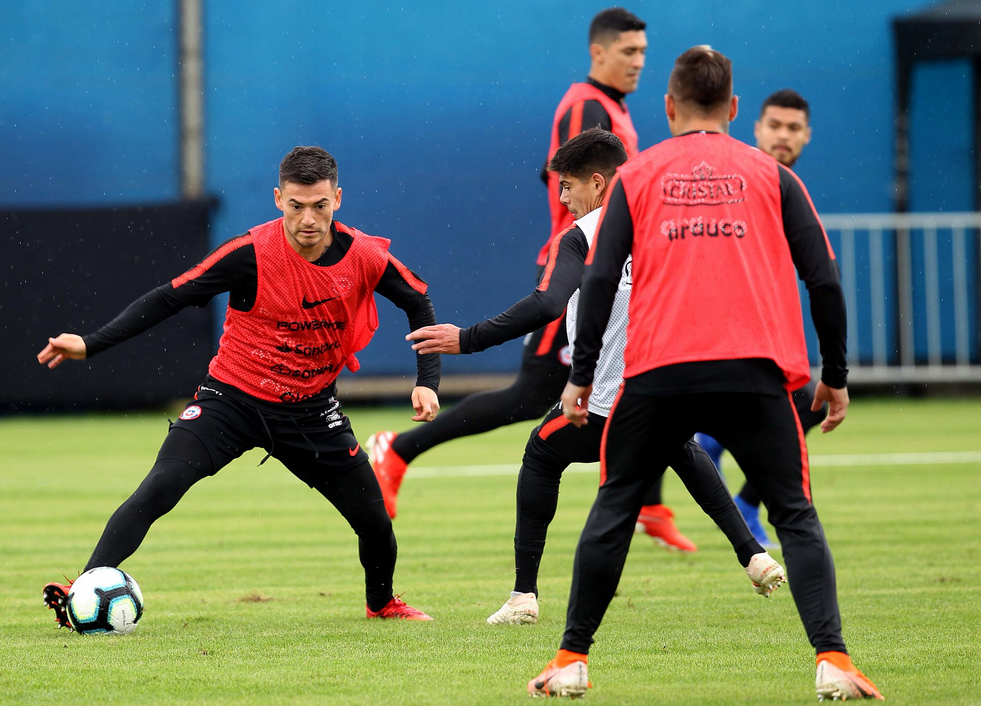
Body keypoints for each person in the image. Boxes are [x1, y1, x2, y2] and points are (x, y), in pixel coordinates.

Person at [527, 48, 883, 700]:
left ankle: (571, 658)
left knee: (614, 504)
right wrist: (835, 372)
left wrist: (579, 377)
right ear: (736, 110)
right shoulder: (771, 175)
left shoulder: (637, 177)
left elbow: (601, 279)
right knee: (796, 515)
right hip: (755, 371)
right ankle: (832, 660)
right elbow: (824, 281)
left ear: (668, 108)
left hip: (659, 371)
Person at [37, 146, 440, 627]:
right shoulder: (249, 253)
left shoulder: (367, 256)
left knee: (374, 520)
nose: (307, 219)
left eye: (319, 205)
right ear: (277, 199)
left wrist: (427, 381)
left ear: (337, 198)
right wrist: (90, 343)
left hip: (311, 412)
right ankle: (83, 588)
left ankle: (382, 604)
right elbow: (169, 297)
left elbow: (419, 302)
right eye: (296, 206)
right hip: (231, 399)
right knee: (161, 485)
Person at [408, 128, 785, 626]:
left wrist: (468, 338)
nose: (563, 199)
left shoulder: (584, 235)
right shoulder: (669, 224)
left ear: (599, 183)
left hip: (605, 404)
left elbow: (546, 302)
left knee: (541, 453)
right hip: (671, 389)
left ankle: (524, 595)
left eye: (568, 187)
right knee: (678, 446)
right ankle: (754, 556)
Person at [368, 8, 695, 554]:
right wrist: (583, 261)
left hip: (607, 273)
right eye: (629, 52)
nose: (639, 62)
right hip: (579, 274)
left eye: (643, 52)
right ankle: (397, 449)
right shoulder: (587, 106)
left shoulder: (613, 107)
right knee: (532, 396)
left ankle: (652, 503)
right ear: (599, 52)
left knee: (627, 379)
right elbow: (562, 179)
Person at [695, 88, 820, 549]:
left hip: (761, 337)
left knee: (808, 404)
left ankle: (734, 482)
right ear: (756, 128)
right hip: (718, 335)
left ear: (806, 135)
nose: (783, 135)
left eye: (792, 128)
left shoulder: (785, 185)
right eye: (775, 125)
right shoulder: (737, 176)